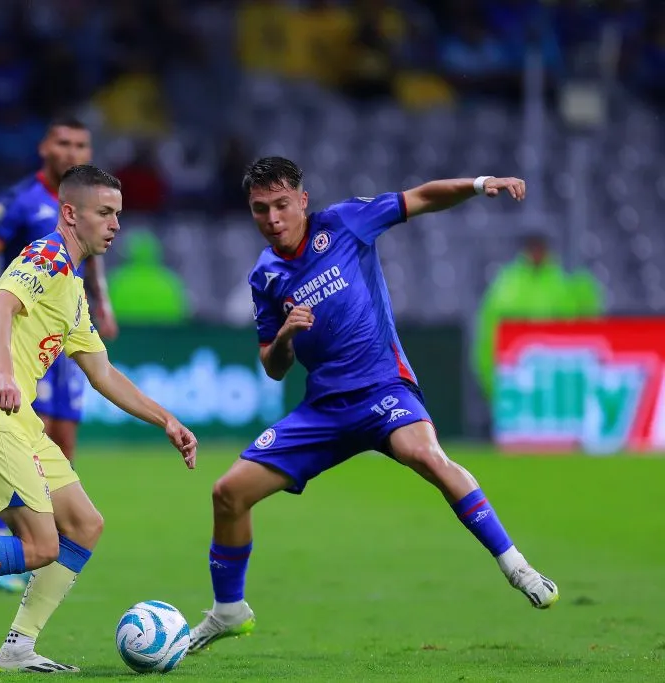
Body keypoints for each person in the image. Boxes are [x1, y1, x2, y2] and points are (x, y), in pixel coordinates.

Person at [187, 158, 559, 653]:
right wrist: (286, 336)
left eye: (281, 205)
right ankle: (229, 612)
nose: (273, 218)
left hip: (383, 387)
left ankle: (517, 566)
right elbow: (273, 366)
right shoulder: (266, 276)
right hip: (323, 409)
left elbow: (420, 198)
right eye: (261, 210)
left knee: (428, 455)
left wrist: (478, 184)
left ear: (302, 200)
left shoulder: (344, 222)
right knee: (228, 494)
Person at [0, 165, 198, 673]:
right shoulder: (45, 255)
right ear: (71, 213)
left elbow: (102, 372)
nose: (115, 225)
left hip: (17, 416)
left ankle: (18, 646)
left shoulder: (73, 287)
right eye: (104, 213)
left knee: (84, 525)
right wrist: (4, 372)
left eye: (118, 215)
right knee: (41, 545)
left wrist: (166, 420)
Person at [0, 116, 119, 593]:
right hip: (27, 328)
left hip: (66, 323)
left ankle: (36, 539)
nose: (72, 150)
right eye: (64, 142)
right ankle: (12, 533)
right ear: (44, 147)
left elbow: (87, 266)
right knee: (34, 427)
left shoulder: (91, 206)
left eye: (81, 143)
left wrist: (100, 305)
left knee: (63, 437)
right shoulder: (21, 201)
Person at [472, 232, 604, 401]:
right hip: (518, 391)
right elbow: (487, 340)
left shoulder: (564, 283)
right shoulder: (507, 287)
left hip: (558, 391)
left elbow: (585, 327)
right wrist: (496, 388)